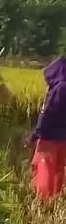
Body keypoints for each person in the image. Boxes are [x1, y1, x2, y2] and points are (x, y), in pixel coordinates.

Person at [30, 56, 66, 201]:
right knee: (58, 168)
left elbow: (47, 113)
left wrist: (35, 134)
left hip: (49, 138)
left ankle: (44, 199)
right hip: (64, 138)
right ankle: (55, 197)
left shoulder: (59, 88)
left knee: (45, 168)